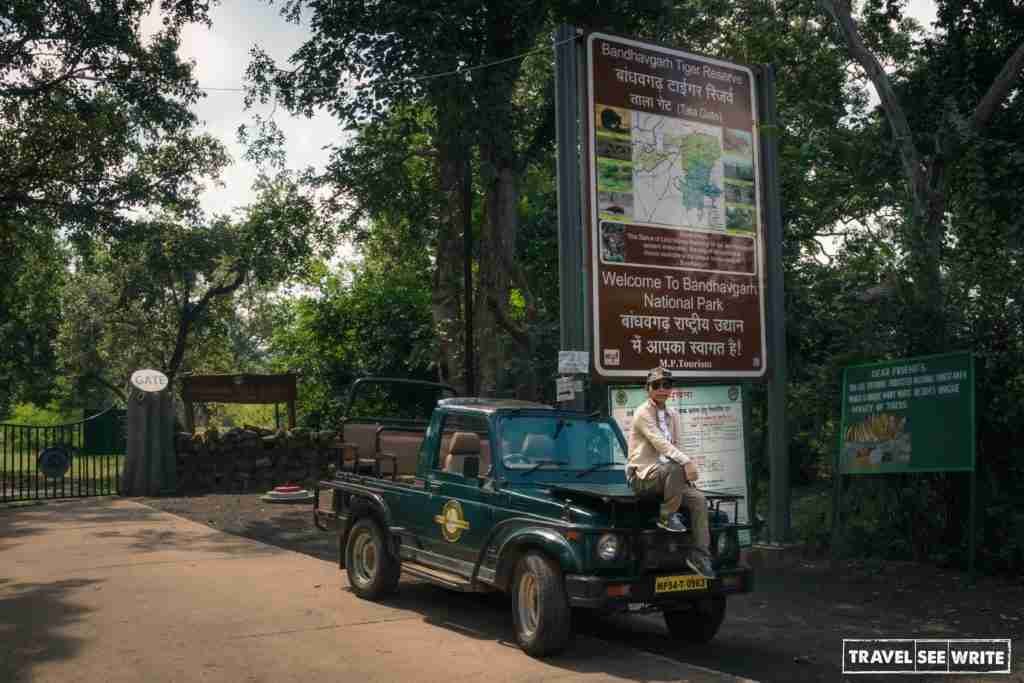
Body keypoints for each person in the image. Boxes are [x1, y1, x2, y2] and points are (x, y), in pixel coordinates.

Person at [626, 366, 715, 579]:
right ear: (648, 389)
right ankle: (667, 516)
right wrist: (687, 463)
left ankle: (699, 555)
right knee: (676, 466)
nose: (662, 389)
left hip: (670, 477)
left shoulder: (673, 415)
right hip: (644, 477)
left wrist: (687, 476)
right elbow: (661, 445)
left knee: (699, 500)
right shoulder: (642, 413)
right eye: (656, 385)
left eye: (666, 385)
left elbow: (677, 446)